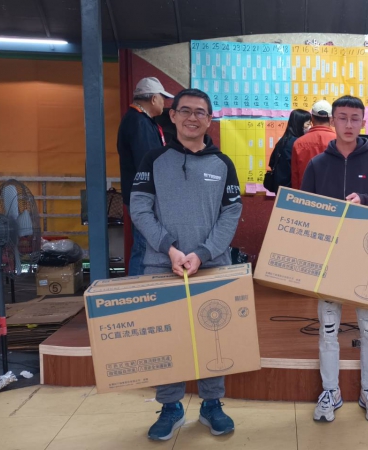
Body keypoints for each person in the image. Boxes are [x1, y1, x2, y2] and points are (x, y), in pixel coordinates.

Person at [131, 89, 242, 440]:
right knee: (167, 340)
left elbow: (231, 213)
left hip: (211, 267)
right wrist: (170, 249)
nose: (193, 118)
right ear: (173, 115)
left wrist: (203, 253)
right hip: (162, 266)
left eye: (200, 112)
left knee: (213, 335)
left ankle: (212, 404)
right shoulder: (153, 160)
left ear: (209, 120)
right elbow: (139, 209)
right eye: (186, 111)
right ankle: (170, 406)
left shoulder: (222, 164)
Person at [301, 95, 368, 423]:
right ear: (333, 121)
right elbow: (304, 210)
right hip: (329, 258)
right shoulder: (317, 164)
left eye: (354, 118)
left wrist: (366, 199)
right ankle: (331, 391)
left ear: (362, 122)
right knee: (328, 328)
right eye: (341, 117)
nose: (348, 124)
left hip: (367, 258)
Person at [117, 77, 173, 276]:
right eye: (162, 98)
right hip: (144, 196)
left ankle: (141, 287)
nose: (164, 103)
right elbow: (148, 162)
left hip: (142, 194)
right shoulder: (138, 122)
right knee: (143, 246)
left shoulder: (140, 120)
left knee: (145, 244)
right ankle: (137, 289)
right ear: (153, 99)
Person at [291, 100, 337, 190]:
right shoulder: (339, 141)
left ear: (312, 118)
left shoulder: (298, 143)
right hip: (331, 195)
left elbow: (295, 177)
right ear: (331, 119)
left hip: (306, 194)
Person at [266, 109, 311, 190]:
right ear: (299, 124)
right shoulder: (296, 143)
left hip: (279, 185)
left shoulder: (284, 140)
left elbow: (272, 162)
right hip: (289, 187)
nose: (310, 127)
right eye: (308, 124)